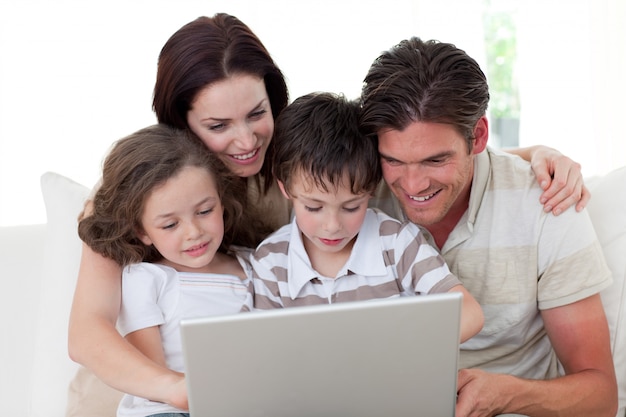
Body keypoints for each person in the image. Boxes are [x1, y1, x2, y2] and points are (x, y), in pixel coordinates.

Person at [68, 12, 591, 411]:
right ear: (181, 122)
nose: (246, 140)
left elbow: (406, 146)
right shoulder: (140, 191)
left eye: (257, 114)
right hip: (140, 392)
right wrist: (186, 392)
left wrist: (533, 156)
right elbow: (87, 331)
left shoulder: (302, 169)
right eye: (218, 125)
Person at [359, 37, 617, 417]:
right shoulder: (352, 197)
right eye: (394, 161)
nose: (412, 187)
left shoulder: (547, 205)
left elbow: (601, 395)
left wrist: (507, 396)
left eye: (435, 160)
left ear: (478, 136)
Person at [251, 92, 484, 342]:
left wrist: (402, 348)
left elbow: (469, 314)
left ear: (372, 189)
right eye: (313, 207)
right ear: (285, 187)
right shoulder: (271, 262)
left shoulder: (397, 244)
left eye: (351, 207)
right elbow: (265, 349)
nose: (332, 227)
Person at [78, 124, 259, 417]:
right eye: (170, 225)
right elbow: (151, 371)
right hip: (166, 409)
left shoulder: (254, 264)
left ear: (221, 202)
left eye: (204, 211)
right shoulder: (147, 279)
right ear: (142, 231)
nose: (194, 232)